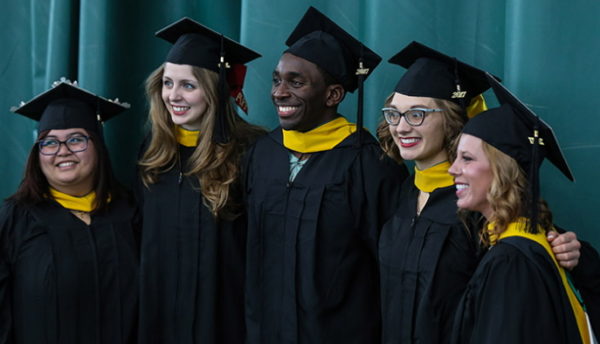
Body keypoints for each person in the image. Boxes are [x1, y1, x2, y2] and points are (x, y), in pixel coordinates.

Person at [377, 41, 590, 344]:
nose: (400, 127)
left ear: (452, 119)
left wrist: (573, 252)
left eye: (417, 114)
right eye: (394, 114)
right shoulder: (398, 193)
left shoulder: (479, 204)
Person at [244, 7, 409, 343]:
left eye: (296, 82)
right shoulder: (264, 153)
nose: (278, 92)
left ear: (333, 95)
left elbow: (393, 267)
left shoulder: (369, 164)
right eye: (277, 80)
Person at [136, 18, 265, 344]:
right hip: (160, 317)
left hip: (224, 320)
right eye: (167, 83)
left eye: (187, 85)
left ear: (214, 90)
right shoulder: (154, 153)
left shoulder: (250, 152)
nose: (173, 95)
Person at [449, 73, 596, 343]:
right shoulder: (529, 240)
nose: (452, 169)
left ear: (503, 171)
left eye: (466, 158)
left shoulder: (511, 261)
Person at [0, 80, 138, 343]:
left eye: (76, 139)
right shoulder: (16, 219)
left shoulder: (131, 213)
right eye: (49, 143)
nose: (62, 151)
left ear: (97, 145)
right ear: (37, 154)